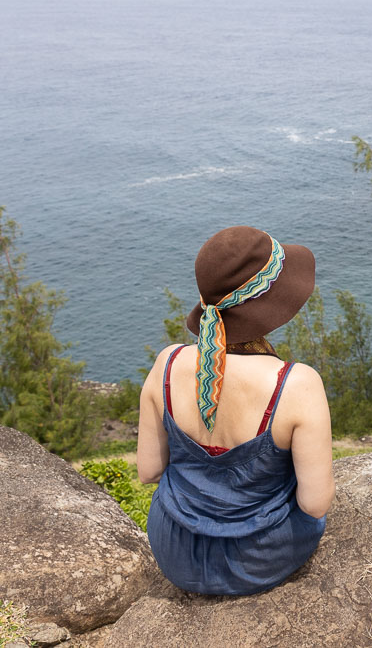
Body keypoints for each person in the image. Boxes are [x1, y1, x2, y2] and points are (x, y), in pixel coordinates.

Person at [137, 226, 334, 595]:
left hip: (175, 553)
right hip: (262, 558)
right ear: (271, 302)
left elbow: (149, 471)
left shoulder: (167, 363)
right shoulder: (296, 384)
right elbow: (315, 503)